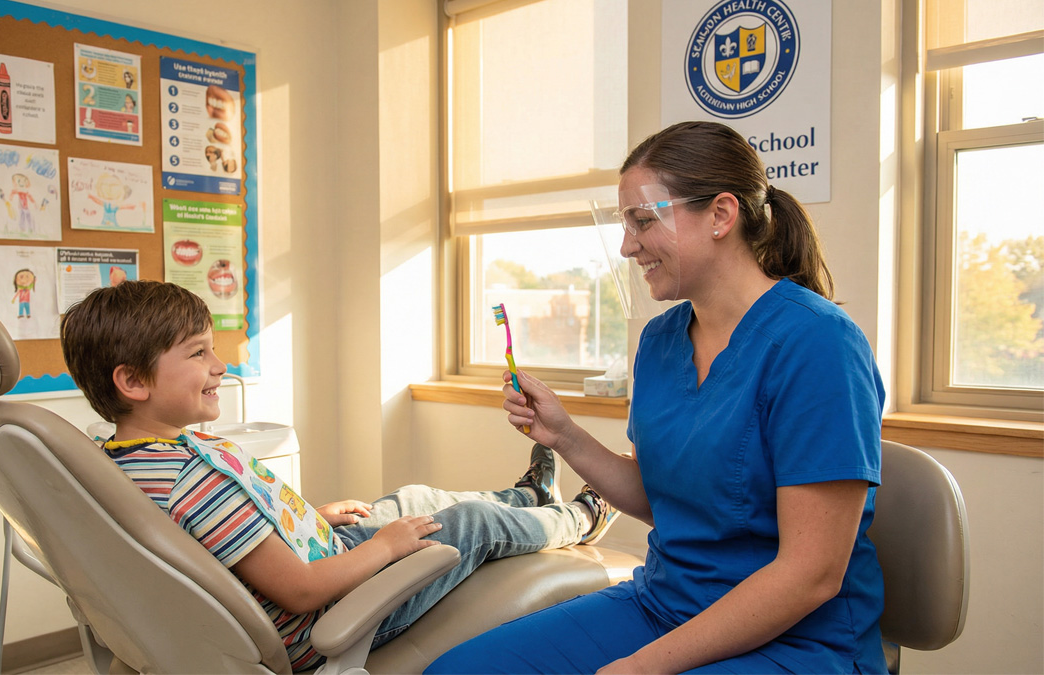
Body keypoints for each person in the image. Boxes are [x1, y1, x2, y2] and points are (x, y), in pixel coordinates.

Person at [426, 120, 886, 674]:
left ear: (720, 215)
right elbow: (665, 500)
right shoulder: (662, 341)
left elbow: (811, 574)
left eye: (643, 221)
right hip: (664, 607)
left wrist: (646, 665)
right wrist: (564, 436)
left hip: (795, 640)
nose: (626, 246)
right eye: (625, 224)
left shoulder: (819, 345)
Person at [59, 280, 619, 672]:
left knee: (412, 498)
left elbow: (223, 539)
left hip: (317, 547)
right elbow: (300, 591)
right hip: (325, 613)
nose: (219, 365)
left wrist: (309, 515)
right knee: (469, 524)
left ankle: (526, 496)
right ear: (133, 381)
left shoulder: (134, 456)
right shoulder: (188, 481)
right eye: (198, 353)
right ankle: (579, 517)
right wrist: (383, 547)